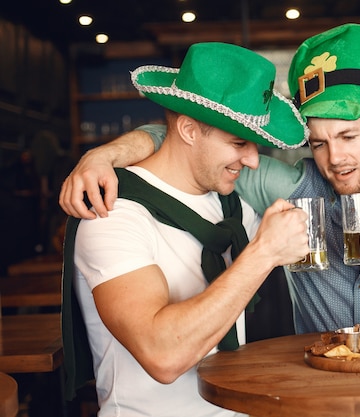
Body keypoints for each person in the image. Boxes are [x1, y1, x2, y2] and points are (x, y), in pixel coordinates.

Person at [62, 24, 360, 347]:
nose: (335, 159)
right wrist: (103, 156)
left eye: (349, 137)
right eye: (318, 143)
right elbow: (189, 143)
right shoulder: (293, 185)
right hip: (319, 400)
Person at [61, 42, 311, 416]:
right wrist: (263, 253)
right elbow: (163, 355)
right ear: (190, 130)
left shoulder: (232, 206)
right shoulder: (113, 214)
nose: (253, 161)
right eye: (239, 143)